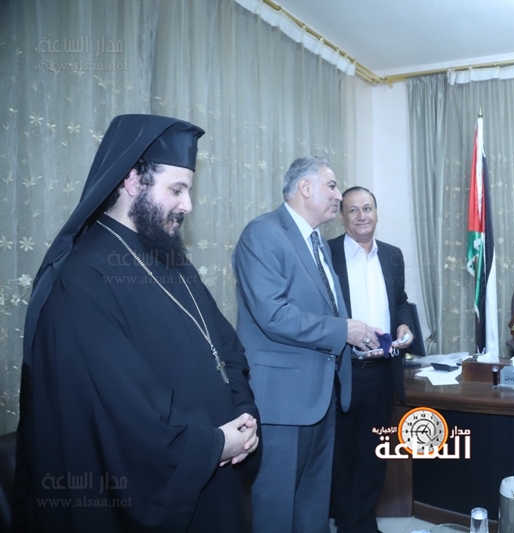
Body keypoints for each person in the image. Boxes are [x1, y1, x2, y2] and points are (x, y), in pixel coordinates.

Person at [13, 114, 260, 532]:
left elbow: (225, 347)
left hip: (215, 472)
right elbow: (123, 407)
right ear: (132, 181)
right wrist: (214, 443)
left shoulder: (170, 256)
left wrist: (244, 414)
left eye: (188, 190)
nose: (187, 205)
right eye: (176, 189)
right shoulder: (82, 277)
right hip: (165, 485)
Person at [233, 157, 382, 533]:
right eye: (331, 186)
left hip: (321, 396)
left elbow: (323, 307)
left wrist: (358, 337)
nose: (338, 195)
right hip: (282, 401)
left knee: (313, 506)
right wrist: (343, 331)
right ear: (305, 188)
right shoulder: (263, 233)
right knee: (277, 506)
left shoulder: (316, 242)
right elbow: (273, 315)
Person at [328, 187, 415, 533]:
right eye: (353, 210)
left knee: (375, 454)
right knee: (342, 457)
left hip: (381, 372)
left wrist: (404, 324)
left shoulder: (392, 255)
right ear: (342, 217)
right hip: (342, 372)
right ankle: (349, 524)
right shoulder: (327, 254)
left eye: (367, 208)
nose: (361, 216)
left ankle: (364, 523)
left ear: (377, 213)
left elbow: (400, 301)